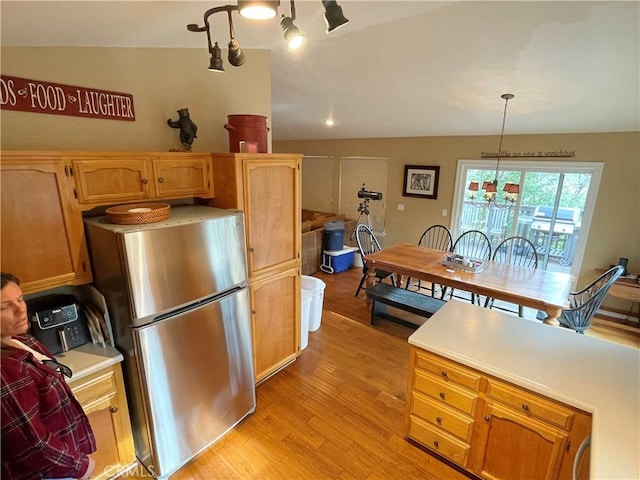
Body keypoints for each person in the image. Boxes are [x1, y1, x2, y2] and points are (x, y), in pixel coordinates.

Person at [1, 272, 97, 480]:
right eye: (4, 307)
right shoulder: (4, 371)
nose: (20, 310)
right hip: (47, 472)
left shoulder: (19, 338)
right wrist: (79, 466)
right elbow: (31, 442)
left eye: (20, 299)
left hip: (62, 457)